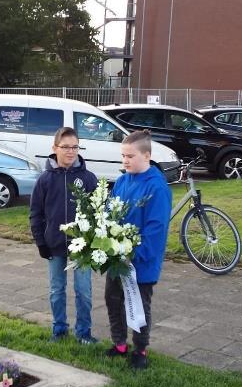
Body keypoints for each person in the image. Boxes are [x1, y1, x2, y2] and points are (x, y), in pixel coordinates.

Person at [104, 129, 172, 369]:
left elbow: (155, 230)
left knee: (139, 306)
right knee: (113, 299)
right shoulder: (122, 181)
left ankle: (140, 349)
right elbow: (110, 213)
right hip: (116, 257)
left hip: (140, 262)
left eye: (130, 156)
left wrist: (133, 255)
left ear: (146, 155)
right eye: (123, 156)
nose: (125, 161)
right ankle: (119, 343)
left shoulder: (157, 188)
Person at [30, 127, 98, 344]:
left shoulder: (88, 178)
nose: (71, 152)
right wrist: (41, 242)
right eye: (66, 147)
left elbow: (98, 213)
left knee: (83, 291)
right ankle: (59, 330)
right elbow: (35, 214)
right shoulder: (45, 180)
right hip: (54, 245)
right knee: (57, 290)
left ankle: (84, 332)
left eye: (75, 147)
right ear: (55, 148)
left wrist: (94, 242)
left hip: (82, 247)